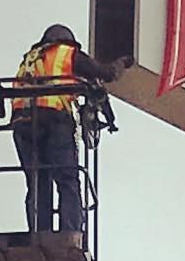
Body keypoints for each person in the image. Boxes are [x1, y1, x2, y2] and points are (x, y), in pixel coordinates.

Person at [10, 25, 124, 239]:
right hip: (53, 120)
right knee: (67, 179)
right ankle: (71, 232)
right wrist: (123, 62)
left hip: (22, 124)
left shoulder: (30, 59)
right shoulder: (66, 54)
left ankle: (39, 233)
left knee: (37, 181)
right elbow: (106, 73)